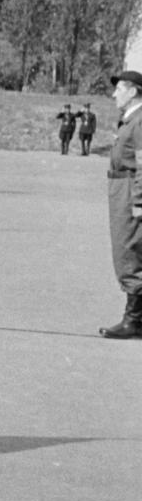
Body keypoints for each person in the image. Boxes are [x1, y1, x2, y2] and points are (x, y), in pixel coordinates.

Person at [101, 71, 142, 339]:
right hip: (122, 189)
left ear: (134, 91)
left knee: (128, 251)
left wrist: (138, 203)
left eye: (119, 89)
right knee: (129, 249)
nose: (115, 94)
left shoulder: (139, 121)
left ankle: (134, 321)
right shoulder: (131, 119)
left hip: (131, 193)